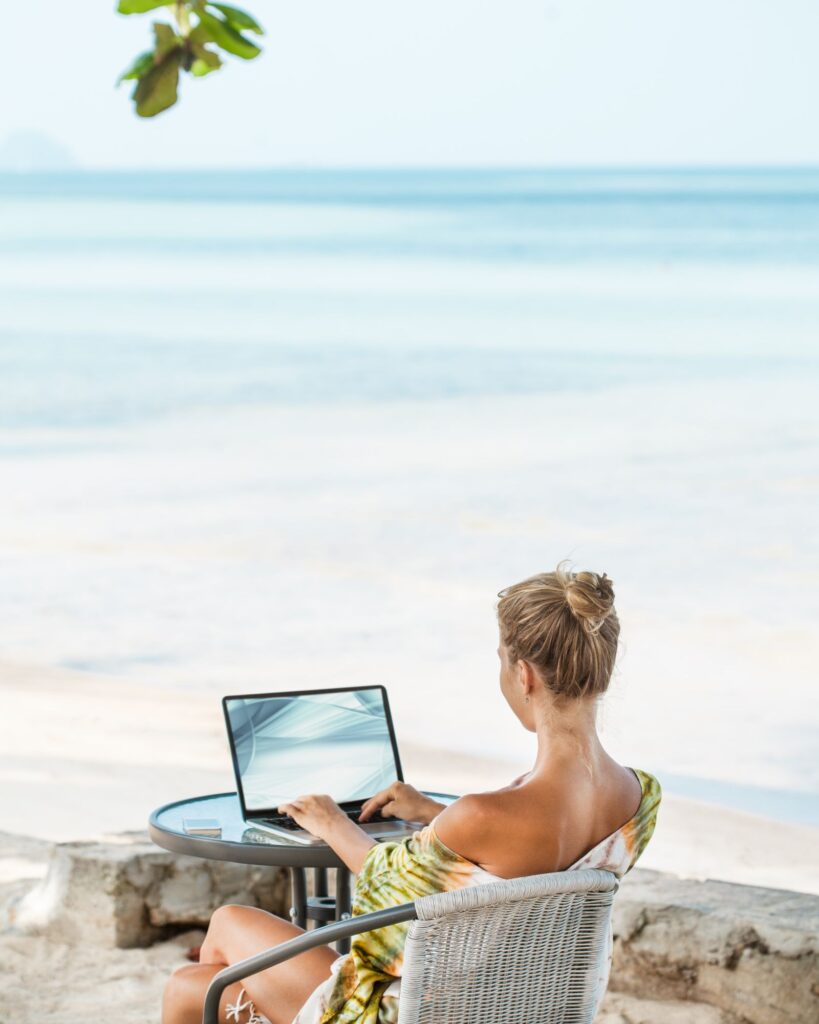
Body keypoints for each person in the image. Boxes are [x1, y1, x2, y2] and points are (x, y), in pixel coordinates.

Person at [161, 563, 662, 1024]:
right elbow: (532, 858)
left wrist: (332, 821)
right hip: (508, 1004)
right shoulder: (638, 800)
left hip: (414, 1012)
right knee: (207, 975)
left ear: (524, 675)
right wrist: (434, 815)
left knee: (198, 973)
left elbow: (382, 883)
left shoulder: (480, 817)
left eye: (502, 662)